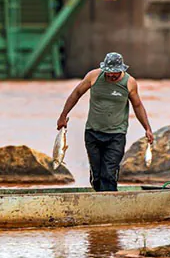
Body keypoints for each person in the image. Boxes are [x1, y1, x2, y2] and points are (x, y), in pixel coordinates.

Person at [56, 52, 154, 192]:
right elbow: (76, 94)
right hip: (93, 133)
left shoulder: (129, 82)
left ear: (122, 69)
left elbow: (137, 106)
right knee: (97, 175)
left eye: (115, 72)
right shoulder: (94, 76)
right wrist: (63, 116)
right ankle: (99, 200)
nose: (111, 75)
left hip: (116, 135)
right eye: (108, 72)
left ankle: (110, 204)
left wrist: (147, 128)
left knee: (109, 173)